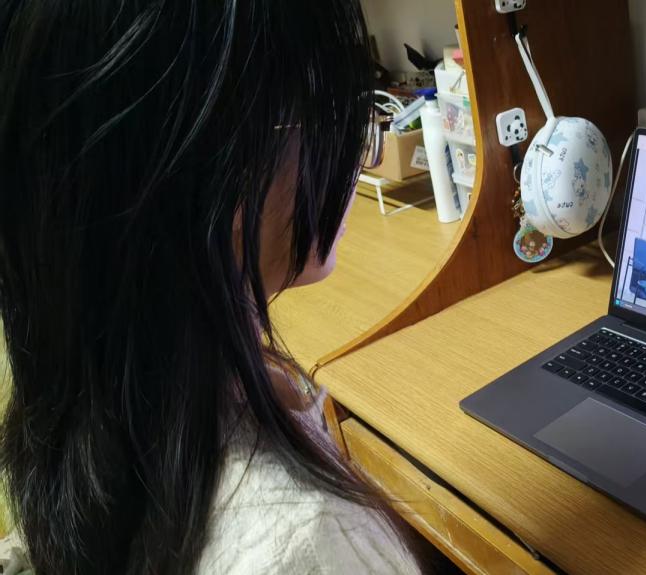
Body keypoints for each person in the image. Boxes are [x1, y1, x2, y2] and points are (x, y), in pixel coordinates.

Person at [0, 2, 437, 573]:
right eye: (336, 113)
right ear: (226, 171)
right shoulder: (309, 545)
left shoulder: (74, 411)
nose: (356, 153)